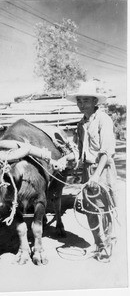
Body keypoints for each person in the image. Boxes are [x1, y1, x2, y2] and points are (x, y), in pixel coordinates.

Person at [66, 81, 117, 262]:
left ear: (95, 101)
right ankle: (98, 244)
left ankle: (107, 244)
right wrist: (66, 161)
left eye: (85, 100)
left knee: (103, 208)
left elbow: (107, 151)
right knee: (89, 209)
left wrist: (96, 175)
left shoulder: (104, 120)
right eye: (79, 101)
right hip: (88, 170)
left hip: (102, 168)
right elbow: (79, 152)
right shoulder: (81, 124)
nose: (81, 104)